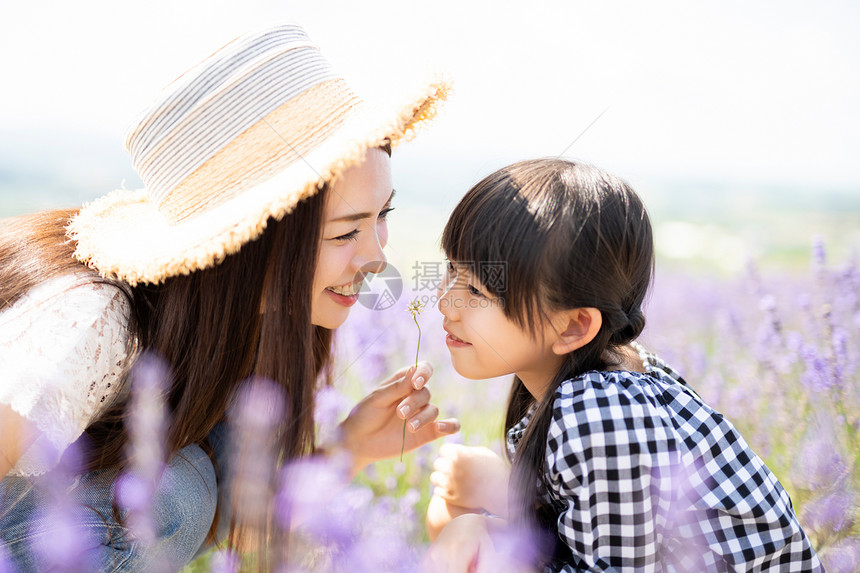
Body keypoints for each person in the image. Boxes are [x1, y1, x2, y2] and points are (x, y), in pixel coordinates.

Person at [0, 24, 458, 572]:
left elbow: (244, 524)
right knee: (179, 490)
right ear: (250, 243)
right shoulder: (92, 321)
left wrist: (349, 447)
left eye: (383, 216)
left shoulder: (253, 326)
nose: (377, 256)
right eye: (344, 233)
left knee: (210, 468)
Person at [422, 159, 822, 572]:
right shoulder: (589, 384)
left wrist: (509, 492)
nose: (445, 302)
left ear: (575, 326)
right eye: (451, 268)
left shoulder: (601, 413)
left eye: (477, 290)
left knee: (469, 535)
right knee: (454, 516)